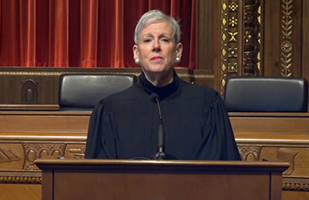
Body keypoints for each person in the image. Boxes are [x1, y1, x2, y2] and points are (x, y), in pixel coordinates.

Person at [85, 9, 241, 160]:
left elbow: (224, 176)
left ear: (178, 51)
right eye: (147, 40)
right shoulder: (110, 110)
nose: (156, 46)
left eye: (164, 39)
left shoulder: (208, 104)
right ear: (136, 53)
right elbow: (98, 180)